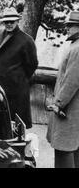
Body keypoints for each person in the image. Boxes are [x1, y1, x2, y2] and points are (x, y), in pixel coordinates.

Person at [0, 7, 38, 129]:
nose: (9, 24)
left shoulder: (26, 40)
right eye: (6, 22)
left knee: (17, 126)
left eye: (12, 21)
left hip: (16, 90)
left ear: (17, 21)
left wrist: (18, 78)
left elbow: (32, 64)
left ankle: (17, 148)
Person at [47, 11, 79, 168]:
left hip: (69, 108)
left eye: (71, 26)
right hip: (73, 107)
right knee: (73, 147)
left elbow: (72, 81)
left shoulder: (77, 48)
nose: (67, 29)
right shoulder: (75, 46)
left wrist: (59, 103)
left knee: (64, 147)